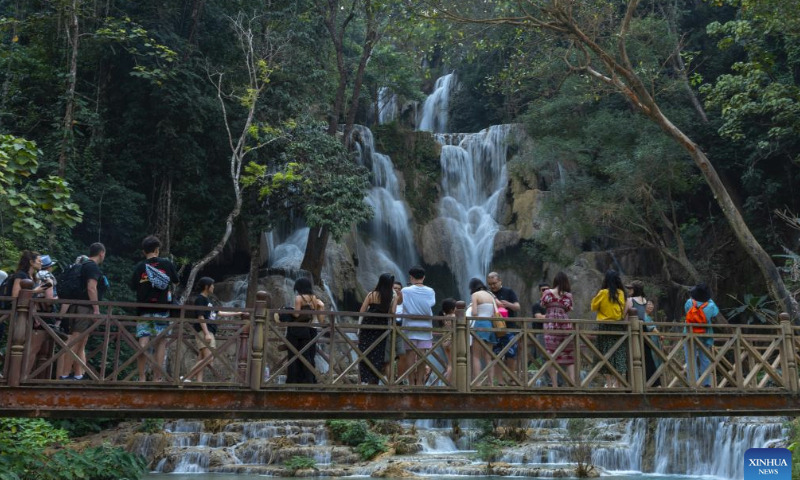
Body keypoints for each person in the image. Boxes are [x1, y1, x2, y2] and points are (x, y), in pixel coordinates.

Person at [129, 236, 179, 382]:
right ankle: (157, 377)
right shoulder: (166, 263)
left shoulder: (140, 266)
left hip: (144, 309)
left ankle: (141, 377)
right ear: (157, 250)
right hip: (162, 309)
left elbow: (132, 286)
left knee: (143, 341)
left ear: (144, 251)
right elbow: (175, 280)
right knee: (161, 342)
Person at [59, 243, 107, 381]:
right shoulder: (92, 267)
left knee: (81, 342)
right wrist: (96, 309)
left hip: (75, 306)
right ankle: (65, 374)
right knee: (76, 341)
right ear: (101, 253)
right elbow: (92, 288)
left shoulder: (81, 266)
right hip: (84, 308)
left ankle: (78, 375)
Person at [184, 277, 243, 382]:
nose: (213, 287)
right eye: (212, 285)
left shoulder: (208, 300)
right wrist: (206, 333)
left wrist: (237, 313)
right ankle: (187, 377)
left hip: (208, 331)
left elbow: (219, 313)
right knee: (209, 358)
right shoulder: (200, 299)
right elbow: (200, 317)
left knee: (202, 358)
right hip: (204, 331)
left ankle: (199, 382)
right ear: (207, 286)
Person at [2, 252, 49, 377]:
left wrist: (35, 315)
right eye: (39, 260)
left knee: (26, 346)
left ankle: (21, 375)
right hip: (18, 313)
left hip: (28, 314)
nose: (41, 263)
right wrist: (35, 290)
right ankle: (13, 376)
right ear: (31, 262)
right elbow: (16, 295)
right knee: (17, 344)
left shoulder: (32, 277)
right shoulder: (20, 275)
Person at [398, 266, 435, 386]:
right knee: (422, 355)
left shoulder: (405, 291)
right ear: (423, 277)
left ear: (411, 277)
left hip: (410, 326)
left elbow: (399, 303)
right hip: (425, 327)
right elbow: (431, 304)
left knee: (410, 354)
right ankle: (420, 382)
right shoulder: (430, 291)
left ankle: (410, 382)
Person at [357, 273, 397, 384]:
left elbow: (362, 310)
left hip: (368, 325)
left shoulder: (371, 294)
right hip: (381, 327)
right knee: (378, 353)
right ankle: (374, 380)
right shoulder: (392, 296)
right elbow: (393, 312)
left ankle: (364, 379)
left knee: (365, 351)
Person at [591, 269, 627, 388]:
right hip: (618, 326)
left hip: (604, 327)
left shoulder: (602, 293)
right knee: (618, 354)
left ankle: (609, 383)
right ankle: (618, 383)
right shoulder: (621, 293)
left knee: (605, 354)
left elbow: (593, 306)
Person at [285, 277, 323, 384]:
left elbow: (297, 314)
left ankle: (293, 380)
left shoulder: (299, 298)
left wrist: (289, 310)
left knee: (295, 355)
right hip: (310, 330)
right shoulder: (314, 298)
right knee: (308, 356)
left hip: (298, 330)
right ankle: (310, 380)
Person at [625, 280, 661, 387]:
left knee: (631, 354)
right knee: (647, 355)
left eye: (631, 288)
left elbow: (624, 315)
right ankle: (654, 382)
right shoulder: (644, 300)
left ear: (635, 289)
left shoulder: (630, 300)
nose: (629, 290)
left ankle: (631, 383)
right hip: (643, 327)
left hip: (633, 328)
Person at [542, 271, 575, 387]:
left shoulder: (547, 293)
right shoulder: (568, 296)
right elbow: (568, 309)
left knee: (550, 354)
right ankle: (572, 384)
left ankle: (554, 384)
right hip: (565, 325)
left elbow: (543, 304)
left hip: (550, 325)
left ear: (555, 281)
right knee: (569, 354)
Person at [487, 272, 520, 382]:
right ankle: (500, 381)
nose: (492, 286)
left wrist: (507, 304)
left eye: (494, 283)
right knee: (495, 355)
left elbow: (517, 307)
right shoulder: (488, 294)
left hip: (509, 328)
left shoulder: (508, 291)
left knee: (511, 353)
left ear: (500, 281)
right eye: (490, 284)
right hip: (494, 329)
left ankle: (512, 378)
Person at [684, 283, 718, 388]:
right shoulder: (711, 305)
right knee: (705, 359)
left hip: (689, 334)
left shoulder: (689, 302)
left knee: (690, 358)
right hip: (704, 334)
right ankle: (706, 383)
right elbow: (715, 314)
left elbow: (686, 311)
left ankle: (693, 383)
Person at [469, 277, 499, 385]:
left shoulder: (475, 295)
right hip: (490, 326)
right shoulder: (490, 295)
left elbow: (475, 313)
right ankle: (491, 383)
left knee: (476, 356)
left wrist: (472, 308)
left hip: (480, 325)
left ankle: (477, 382)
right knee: (488, 357)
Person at [384, 281, 406, 379]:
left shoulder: (405, 302)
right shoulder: (387, 301)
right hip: (388, 330)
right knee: (387, 357)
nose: (396, 290)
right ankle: (390, 381)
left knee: (402, 354)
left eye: (398, 289)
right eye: (394, 288)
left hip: (401, 331)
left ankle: (400, 380)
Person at [438, 298, 457, 382]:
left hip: (445, 342)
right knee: (454, 364)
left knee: (450, 364)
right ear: (452, 309)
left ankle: (449, 382)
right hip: (452, 342)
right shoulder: (454, 317)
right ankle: (448, 382)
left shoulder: (444, 317)